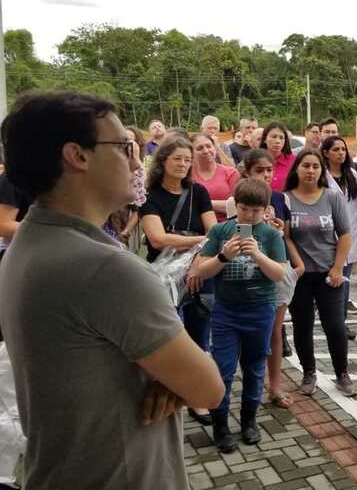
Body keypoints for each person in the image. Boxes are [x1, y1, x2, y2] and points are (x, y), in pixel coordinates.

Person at [0, 92, 223, 488]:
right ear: (77, 155)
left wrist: (171, 379)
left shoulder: (28, 246)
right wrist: (175, 380)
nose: (137, 161)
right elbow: (208, 387)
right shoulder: (104, 269)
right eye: (124, 147)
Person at [193, 178, 287, 453]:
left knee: (255, 368)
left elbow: (280, 274)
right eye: (244, 209)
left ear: (266, 209)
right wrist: (223, 256)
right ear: (236, 205)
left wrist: (258, 255)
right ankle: (220, 426)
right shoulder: (221, 230)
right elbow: (200, 271)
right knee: (222, 369)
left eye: (256, 211)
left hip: (260, 311)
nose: (249, 215)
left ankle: (249, 421)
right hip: (226, 312)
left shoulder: (270, 235)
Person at [140, 136, 218, 425]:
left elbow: (216, 231)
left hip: (200, 272)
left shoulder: (198, 192)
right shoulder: (149, 196)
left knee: (200, 335)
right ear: (162, 161)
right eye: (178, 159)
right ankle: (167, 392)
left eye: (187, 160)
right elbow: (158, 239)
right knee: (170, 336)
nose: (184, 164)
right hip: (163, 277)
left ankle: (196, 398)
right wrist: (198, 240)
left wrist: (198, 259)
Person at [224, 148, 305, 408]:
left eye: (269, 169)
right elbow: (237, 235)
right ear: (247, 171)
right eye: (259, 170)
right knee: (246, 333)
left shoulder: (280, 198)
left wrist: (298, 265)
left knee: (275, 330)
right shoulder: (236, 201)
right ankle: (247, 384)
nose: (266, 175)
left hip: (276, 271)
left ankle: (275, 385)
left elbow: (287, 237)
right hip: (245, 273)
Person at [285, 150, 356, 396]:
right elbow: (285, 237)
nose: (311, 171)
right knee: (302, 326)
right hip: (300, 275)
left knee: (335, 326)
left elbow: (346, 234)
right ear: (296, 169)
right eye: (306, 165)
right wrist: (298, 266)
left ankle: (342, 374)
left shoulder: (332, 197)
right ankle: (308, 372)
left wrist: (337, 268)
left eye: (316, 166)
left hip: (329, 274)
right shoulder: (285, 200)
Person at [321, 136, 357, 324]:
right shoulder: (321, 175)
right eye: (336, 149)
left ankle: (341, 321)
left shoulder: (352, 175)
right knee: (330, 278)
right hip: (326, 235)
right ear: (325, 153)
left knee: (344, 278)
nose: (341, 153)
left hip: (349, 234)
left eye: (343, 150)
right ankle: (331, 319)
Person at [192, 132, 241, 222]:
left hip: (226, 226)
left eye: (209, 146)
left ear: (215, 147)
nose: (206, 151)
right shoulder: (187, 174)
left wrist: (203, 203)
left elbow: (238, 206)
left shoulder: (231, 173)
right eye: (200, 148)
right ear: (191, 152)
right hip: (195, 227)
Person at [260, 122, 295, 192]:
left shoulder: (294, 160)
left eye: (281, 138)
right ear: (264, 139)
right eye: (274, 137)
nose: (278, 141)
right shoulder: (256, 159)